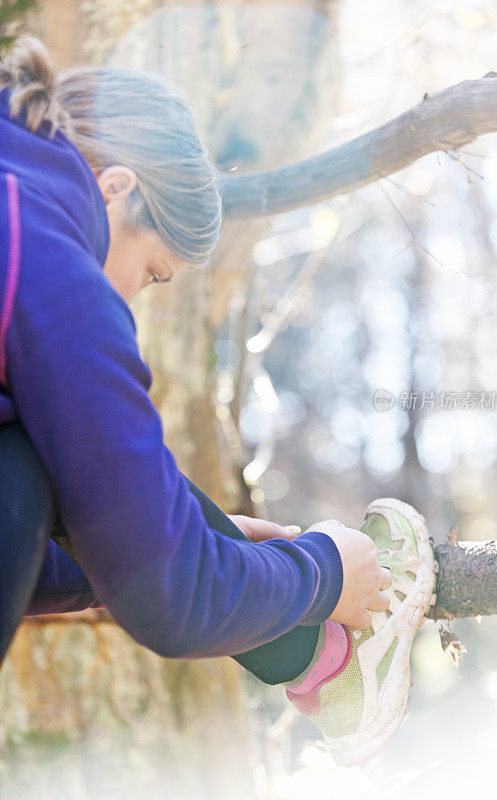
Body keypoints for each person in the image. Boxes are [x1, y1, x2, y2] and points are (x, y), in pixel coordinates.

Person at [0, 36, 436, 765]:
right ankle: (328, 662)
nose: (131, 302)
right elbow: (173, 601)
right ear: (115, 189)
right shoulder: (51, 263)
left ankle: (319, 663)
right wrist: (326, 573)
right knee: (51, 445)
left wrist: (168, 537)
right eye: (151, 273)